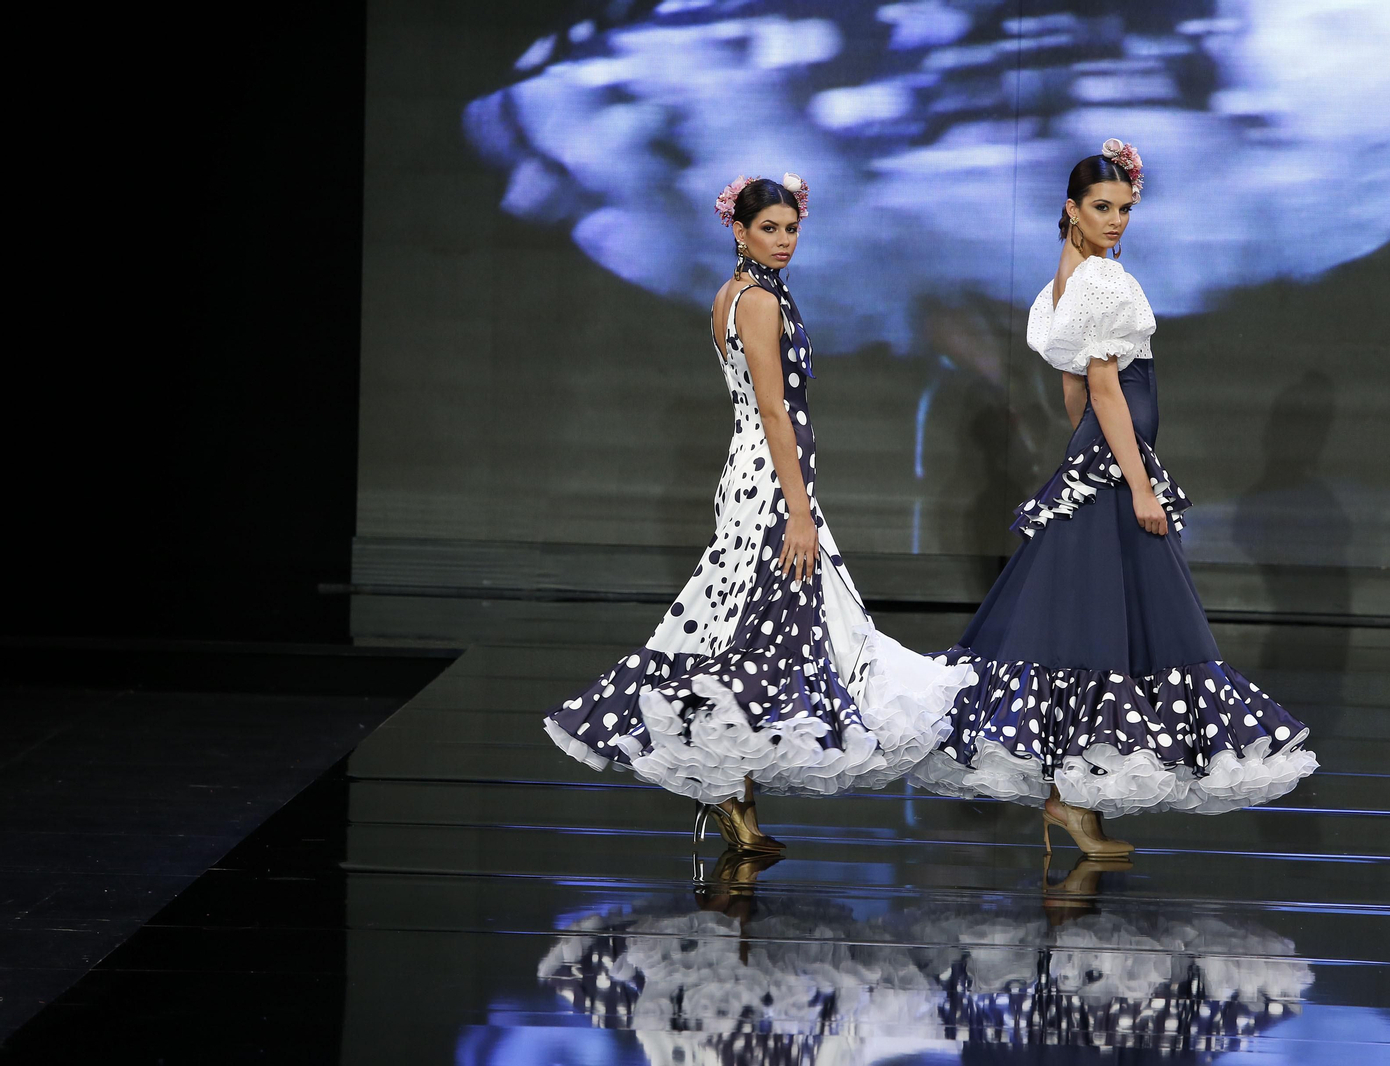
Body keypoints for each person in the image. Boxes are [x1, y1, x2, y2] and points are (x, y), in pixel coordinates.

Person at [912, 141, 1318, 855]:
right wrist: (1134, 480)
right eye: (1102, 208)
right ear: (1071, 208)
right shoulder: (1098, 280)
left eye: (1126, 209)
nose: (1117, 221)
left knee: (1092, 630)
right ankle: (1073, 803)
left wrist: (1089, 456)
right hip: (1114, 465)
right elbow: (1099, 386)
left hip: (1098, 457)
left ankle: (1074, 804)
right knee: (1123, 630)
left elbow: (1075, 390)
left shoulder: (1069, 276)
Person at [545, 174, 973, 851]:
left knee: (740, 625)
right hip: (770, 480)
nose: (783, 241)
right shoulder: (756, 303)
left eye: (791, 228)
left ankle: (732, 798)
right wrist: (799, 511)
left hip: (756, 472)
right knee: (765, 628)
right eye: (768, 228)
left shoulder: (738, 295)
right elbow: (774, 408)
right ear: (739, 231)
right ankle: (713, 779)